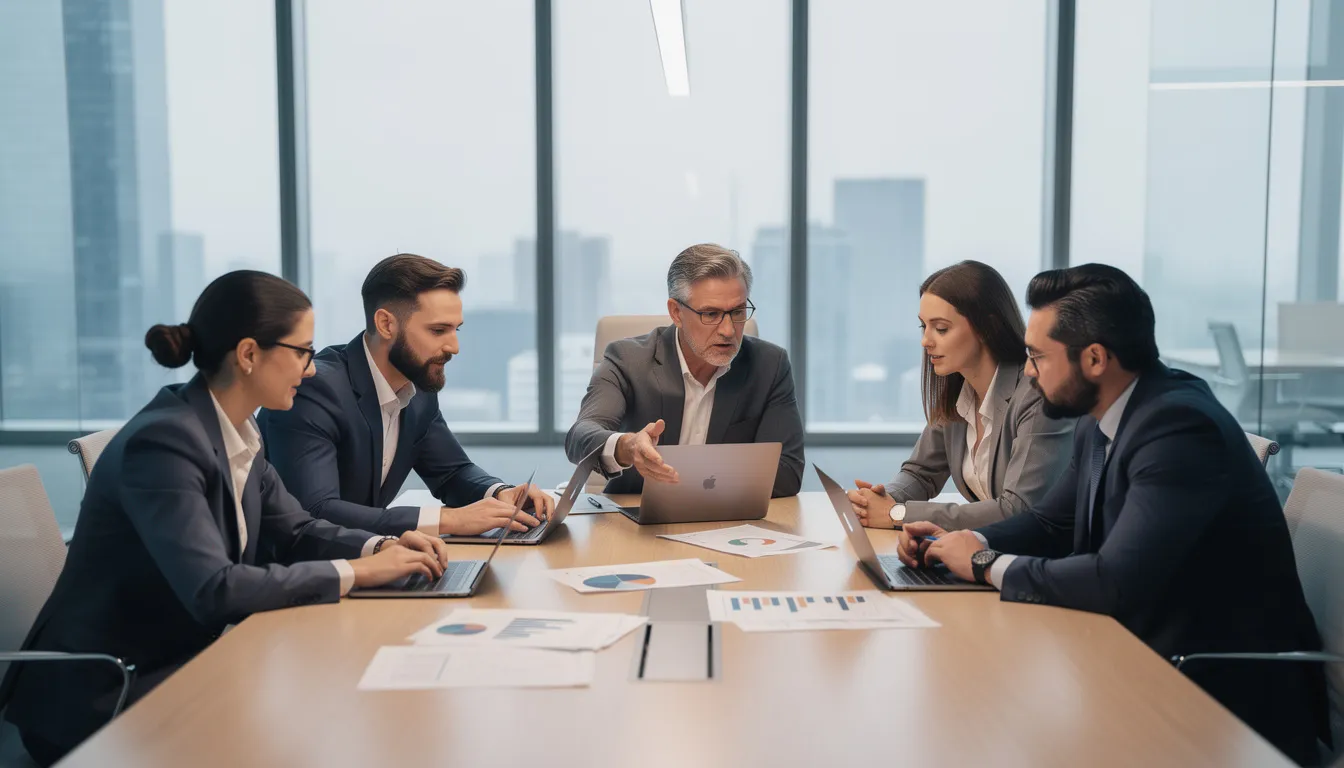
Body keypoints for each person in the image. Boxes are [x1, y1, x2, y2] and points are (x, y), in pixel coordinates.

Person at [0, 271, 451, 766]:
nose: (312, 370)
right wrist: (356, 572)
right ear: (249, 354)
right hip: (107, 693)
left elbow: (297, 529)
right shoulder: (166, 442)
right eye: (301, 351)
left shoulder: (238, 430)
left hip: (185, 659)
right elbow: (214, 590)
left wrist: (379, 549)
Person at [901, 264, 1328, 765]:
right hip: (1140, 655)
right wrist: (952, 546)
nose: (1030, 372)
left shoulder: (1178, 427)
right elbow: (1050, 524)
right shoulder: (1102, 415)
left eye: (1038, 357)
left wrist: (983, 565)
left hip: (1222, 698)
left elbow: (1116, 580)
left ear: (1096, 358)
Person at [259, 254, 552, 539]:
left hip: (369, 561)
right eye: (438, 330)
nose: (454, 347)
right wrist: (447, 519)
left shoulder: (418, 388)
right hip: (297, 574)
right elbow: (316, 511)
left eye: (456, 329)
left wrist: (501, 494)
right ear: (387, 324)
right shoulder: (313, 389)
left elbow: (451, 472)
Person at [847, 261, 1074, 531]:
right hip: (987, 553)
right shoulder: (959, 391)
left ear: (986, 328)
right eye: (924, 327)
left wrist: (899, 514)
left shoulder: (1036, 397)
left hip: (1038, 562)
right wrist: (884, 500)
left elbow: (1018, 510)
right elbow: (921, 473)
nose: (926, 341)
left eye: (941, 328)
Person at [565, 243, 804, 497]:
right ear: (676, 312)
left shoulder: (769, 365)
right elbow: (580, 437)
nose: (728, 330)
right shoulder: (627, 360)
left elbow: (788, 472)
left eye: (737, 312)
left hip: (730, 522)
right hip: (635, 521)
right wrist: (628, 446)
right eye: (710, 314)